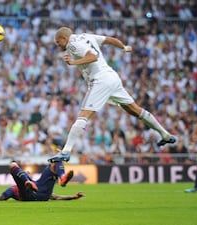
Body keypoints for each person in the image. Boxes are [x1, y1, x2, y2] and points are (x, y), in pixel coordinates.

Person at [49, 27, 176, 163]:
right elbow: (110, 40)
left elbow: (92, 57)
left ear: (64, 38)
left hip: (100, 80)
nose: (59, 46)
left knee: (83, 115)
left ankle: (66, 151)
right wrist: (124, 48)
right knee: (134, 109)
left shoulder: (72, 45)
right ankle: (165, 134)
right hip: (112, 77)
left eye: (58, 42)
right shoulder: (86, 36)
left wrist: (73, 63)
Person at [0, 161, 82, 201]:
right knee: (55, 162)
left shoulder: (11, 190)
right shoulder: (12, 190)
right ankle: (61, 177)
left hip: (34, 190)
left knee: (56, 161)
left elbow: (0, 198)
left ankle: (62, 177)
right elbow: (55, 196)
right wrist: (72, 197)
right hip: (39, 192)